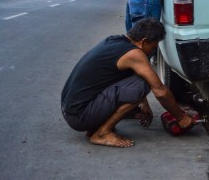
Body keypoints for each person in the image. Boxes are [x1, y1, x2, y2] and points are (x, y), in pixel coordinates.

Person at [61, 18, 196, 147]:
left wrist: (143, 103)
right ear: (144, 41)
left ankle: (95, 127)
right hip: (79, 116)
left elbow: (128, 75)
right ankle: (102, 133)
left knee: (138, 87)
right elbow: (160, 91)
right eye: (153, 47)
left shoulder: (115, 41)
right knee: (141, 85)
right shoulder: (134, 54)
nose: (153, 51)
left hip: (71, 110)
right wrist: (180, 117)